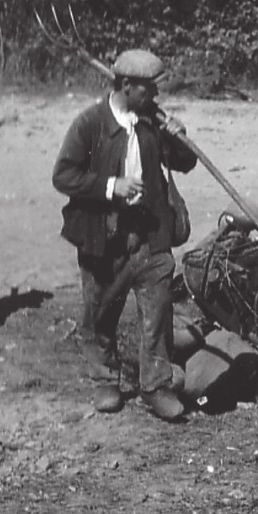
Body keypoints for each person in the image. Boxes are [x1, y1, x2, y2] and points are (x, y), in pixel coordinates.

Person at [52, 49, 197, 421]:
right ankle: (105, 379)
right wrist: (110, 186)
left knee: (158, 313)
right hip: (105, 239)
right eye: (149, 89)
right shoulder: (90, 124)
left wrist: (180, 137)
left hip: (150, 237)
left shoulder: (152, 123)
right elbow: (63, 176)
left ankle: (156, 385)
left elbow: (186, 163)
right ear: (127, 86)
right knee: (100, 313)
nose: (156, 97)